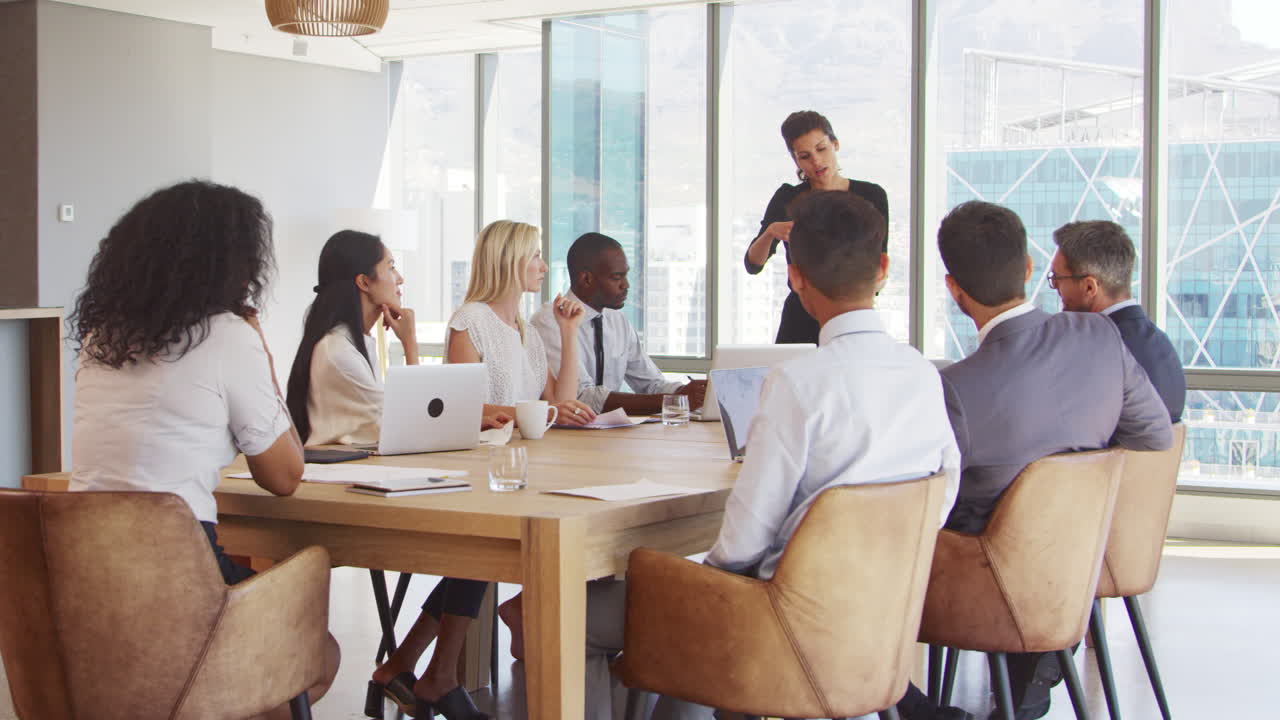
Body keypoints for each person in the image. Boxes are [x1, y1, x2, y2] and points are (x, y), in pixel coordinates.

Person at [580, 190, 963, 720]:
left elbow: (740, 545)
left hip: (778, 625)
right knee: (684, 600)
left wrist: (695, 586)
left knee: (555, 614)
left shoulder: (798, 384)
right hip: (880, 616)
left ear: (795, 277)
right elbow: (940, 498)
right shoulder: (923, 376)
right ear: (882, 268)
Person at [67, 180, 339, 720]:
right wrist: (258, 344)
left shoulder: (103, 339)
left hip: (85, 600)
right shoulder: (225, 336)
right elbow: (284, 475)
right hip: (179, 592)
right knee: (319, 653)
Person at [896, 201, 1173, 720]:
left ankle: (908, 706)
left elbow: (921, 496)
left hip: (985, 583)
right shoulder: (1100, 338)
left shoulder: (955, 389)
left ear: (955, 291)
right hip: (1073, 567)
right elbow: (1155, 434)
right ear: (1027, 269)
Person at [283, 230, 508, 720]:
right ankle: (422, 672)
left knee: (480, 541)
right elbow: (411, 417)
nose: (400, 278)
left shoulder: (354, 342)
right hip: (346, 498)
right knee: (479, 540)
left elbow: (407, 415)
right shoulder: (338, 350)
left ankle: (410, 667)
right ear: (364, 281)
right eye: (391, 268)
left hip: (369, 482)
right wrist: (409, 344)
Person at [744, 110, 889, 344]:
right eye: (805, 156)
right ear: (796, 160)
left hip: (852, 317)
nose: (816, 162)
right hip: (800, 320)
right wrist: (771, 232)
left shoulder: (871, 195)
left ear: (835, 144)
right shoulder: (786, 198)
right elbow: (752, 264)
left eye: (821, 149)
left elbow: (879, 262)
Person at [530, 232, 707, 415]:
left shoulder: (617, 321)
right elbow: (582, 397)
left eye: (625, 275)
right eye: (617, 277)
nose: (626, 285)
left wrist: (690, 393)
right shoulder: (550, 322)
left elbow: (651, 384)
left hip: (612, 435)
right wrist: (676, 401)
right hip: (569, 436)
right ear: (586, 279)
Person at [445, 219, 597, 425]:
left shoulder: (529, 333)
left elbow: (562, 405)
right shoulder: (470, 322)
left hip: (525, 450)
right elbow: (463, 405)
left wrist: (569, 330)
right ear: (509, 262)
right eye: (536, 256)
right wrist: (541, 415)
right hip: (487, 453)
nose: (544, 267)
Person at [1049, 220, 1185, 422]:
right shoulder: (1162, 345)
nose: (1055, 286)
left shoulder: (1096, 352)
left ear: (1089, 287)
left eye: (1057, 278)